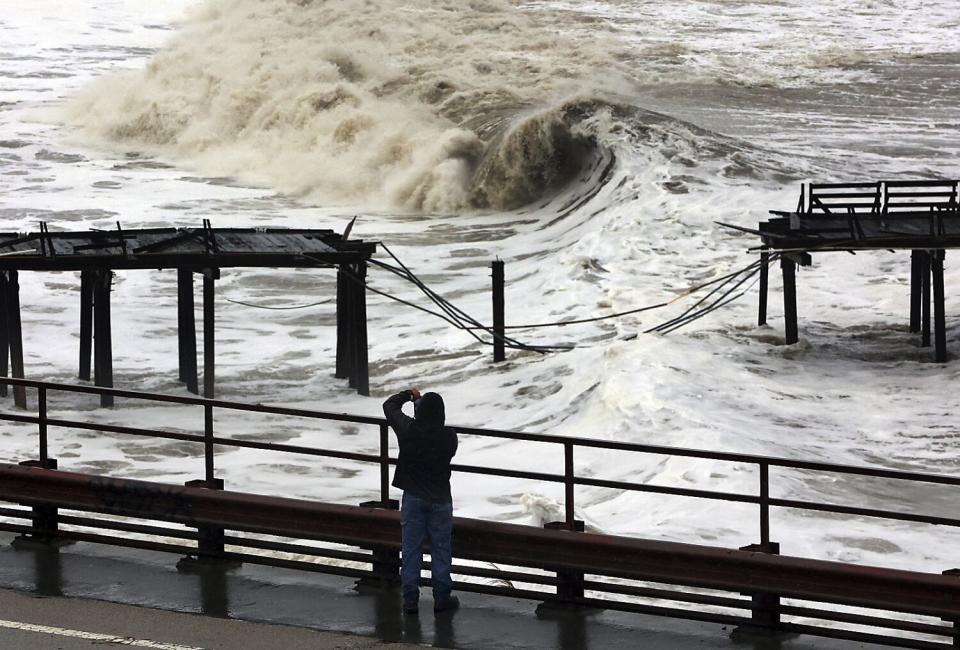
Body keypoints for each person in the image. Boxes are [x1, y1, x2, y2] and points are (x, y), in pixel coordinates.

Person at [383, 388, 459, 615]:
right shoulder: (449, 437)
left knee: (411, 549)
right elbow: (431, 424)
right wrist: (421, 405)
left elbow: (389, 407)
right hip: (441, 499)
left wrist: (410, 395)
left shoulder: (409, 430)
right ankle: (442, 599)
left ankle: (410, 600)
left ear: (420, 412)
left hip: (413, 498)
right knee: (441, 549)